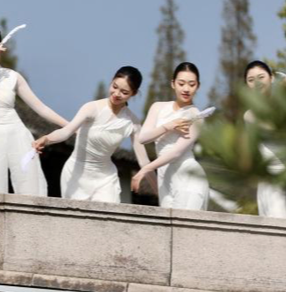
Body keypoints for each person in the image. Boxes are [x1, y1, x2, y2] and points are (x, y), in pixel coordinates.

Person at [0, 25, 68, 195]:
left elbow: (41, 108)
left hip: (18, 135)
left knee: (30, 190)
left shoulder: (12, 76)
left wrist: (71, 126)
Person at [32, 66, 154, 203]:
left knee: (107, 218)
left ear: (134, 93)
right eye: (114, 86)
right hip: (76, 175)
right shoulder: (92, 108)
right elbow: (67, 131)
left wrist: (159, 191)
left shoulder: (133, 122)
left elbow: (144, 161)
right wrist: (47, 139)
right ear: (112, 81)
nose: (116, 94)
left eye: (124, 92)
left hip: (105, 178)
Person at [132, 62, 209, 209]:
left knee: (187, 228)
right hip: (164, 177)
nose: (186, 89)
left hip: (188, 177)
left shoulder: (196, 116)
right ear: (173, 84)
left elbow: (176, 153)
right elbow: (143, 138)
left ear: (198, 86)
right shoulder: (158, 107)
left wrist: (145, 169)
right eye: (181, 83)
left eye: (191, 84)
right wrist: (169, 125)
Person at [243, 60, 286, 219]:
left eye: (261, 77)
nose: (257, 83)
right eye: (251, 80)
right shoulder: (249, 115)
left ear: (272, 78)